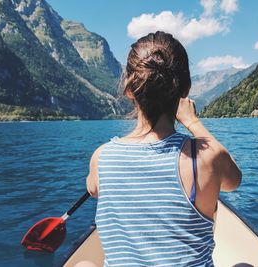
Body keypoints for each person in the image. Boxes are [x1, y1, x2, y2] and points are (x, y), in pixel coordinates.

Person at [86, 31, 242, 267]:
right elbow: (233, 181)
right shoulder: (207, 158)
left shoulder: (102, 156)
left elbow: (93, 189)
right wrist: (193, 122)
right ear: (185, 90)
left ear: (129, 89)